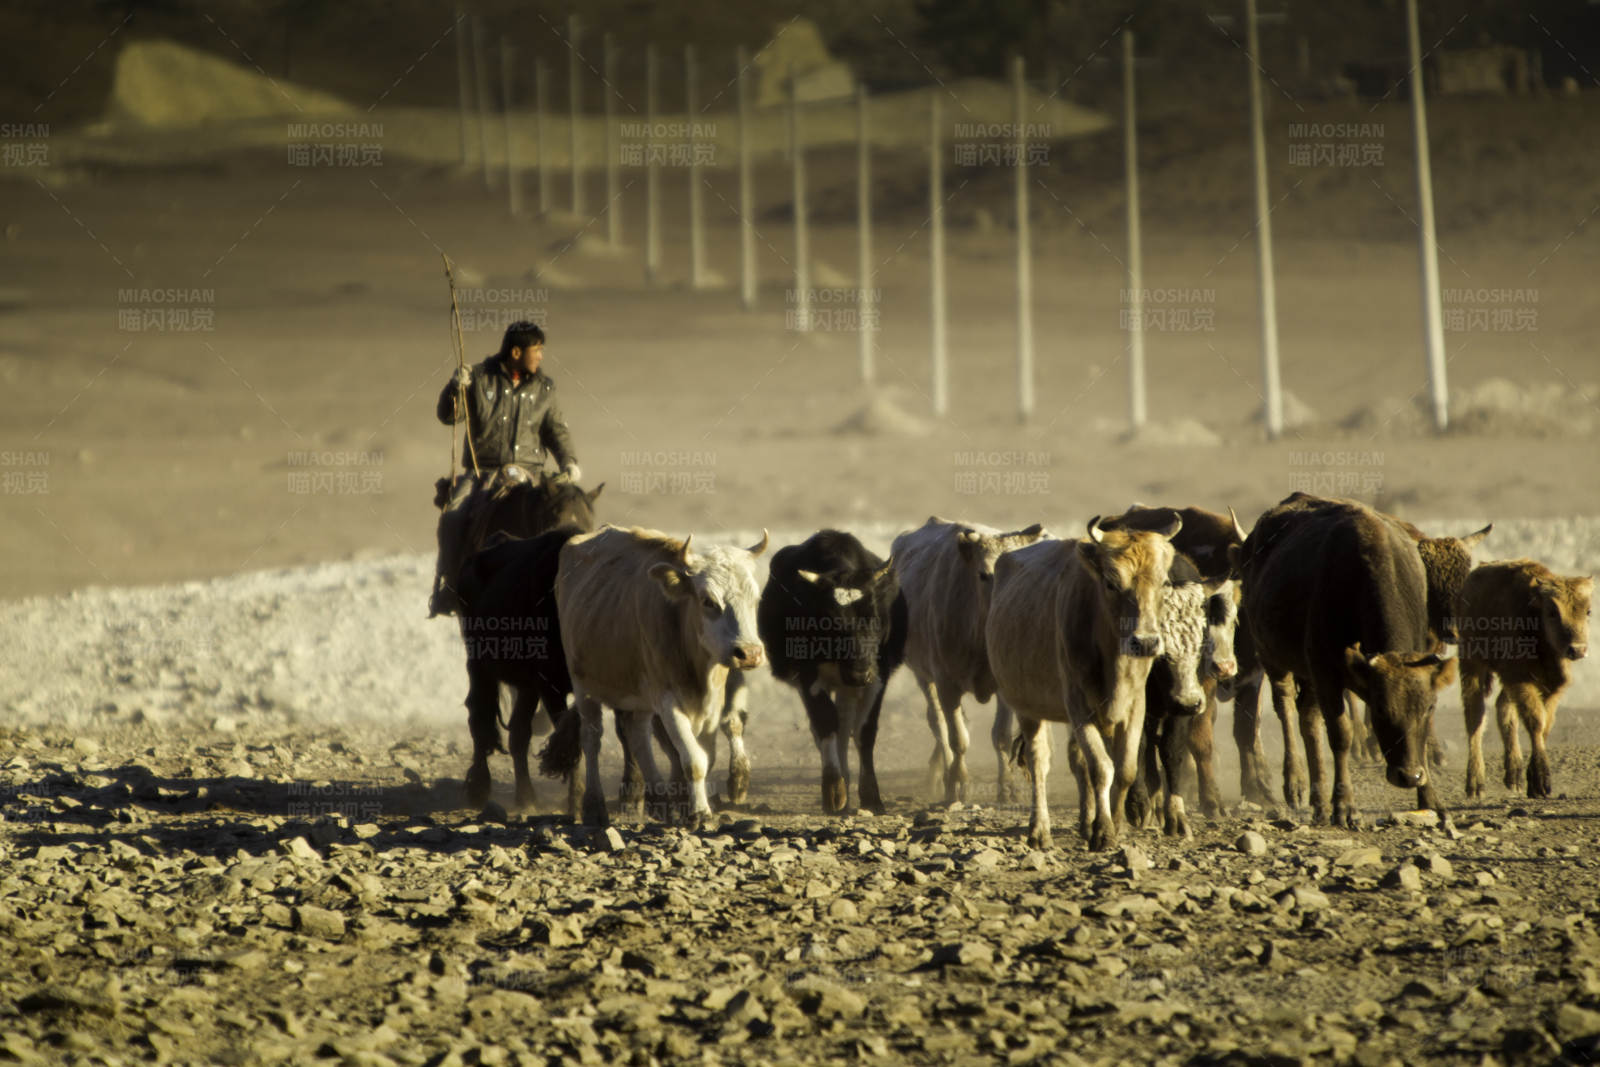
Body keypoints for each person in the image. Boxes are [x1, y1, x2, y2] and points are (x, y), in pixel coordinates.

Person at [429, 320, 580, 616]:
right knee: (452, 518)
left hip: (529, 473)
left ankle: (570, 586)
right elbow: (448, 416)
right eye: (536, 351)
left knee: (568, 512)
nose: (540, 357)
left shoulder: (544, 389)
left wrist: (569, 462)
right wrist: (455, 388)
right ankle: (451, 587)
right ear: (515, 352)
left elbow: (556, 430)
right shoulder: (479, 379)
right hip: (482, 472)